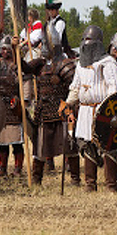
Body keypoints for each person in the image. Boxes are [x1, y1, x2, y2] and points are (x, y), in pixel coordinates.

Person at [65, 25, 117, 192]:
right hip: (84, 111)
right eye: (84, 40)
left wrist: (109, 112)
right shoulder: (81, 64)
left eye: (89, 40)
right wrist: (67, 104)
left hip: (102, 111)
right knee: (87, 145)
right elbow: (75, 87)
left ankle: (110, 184)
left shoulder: (108, 62)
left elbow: (114, 89)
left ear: (98, 43)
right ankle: (90, 184)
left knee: (106, 146)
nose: (85, 43)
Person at [29, 25, 78, 185]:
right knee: (41, 147)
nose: (43, 46)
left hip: (62, 110)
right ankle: (37, 180)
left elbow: (74, 86)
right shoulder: (39, 64)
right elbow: (24, 69)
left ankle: (75, 179)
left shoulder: (64, 64)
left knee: (69, 146)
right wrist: (16, 49)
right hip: (44, 111)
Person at [0, 36, 25, 177]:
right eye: (2, 49)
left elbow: (22, 82)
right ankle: (2, 167)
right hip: (0, 105)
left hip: (13, 105)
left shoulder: (16, 64)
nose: (4, 52)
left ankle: (17, 168)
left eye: (7, 49)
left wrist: (23, 100)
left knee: (16, 140)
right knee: (2, 142)